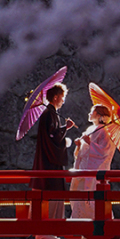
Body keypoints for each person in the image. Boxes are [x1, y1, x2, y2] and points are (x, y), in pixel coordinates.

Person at [29, 84, 76, 219]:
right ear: (55, 97)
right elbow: (53, 138)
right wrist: (65, 128)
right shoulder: (49, 114)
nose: (63, 101)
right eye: (62, 97)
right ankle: (48, 228)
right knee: (51, 193)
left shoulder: (50, 113)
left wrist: (63, 129)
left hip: (47, 160)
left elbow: (53, 134)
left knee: (49, 194)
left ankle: (48, 228)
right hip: (49, 162)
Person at [69, 104, 117, 218]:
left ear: (99, 115)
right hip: (84, 169)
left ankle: (97, 224)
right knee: (80, 198)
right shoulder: (91, 129)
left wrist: (90, 143)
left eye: (92, 111)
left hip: (95, 171)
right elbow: (83, 152)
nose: (89, 113)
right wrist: (79, 145)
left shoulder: (105, 131)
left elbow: (104, 151)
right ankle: (81, 225)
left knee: (93, 199)